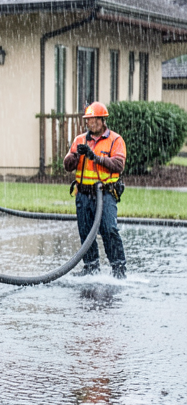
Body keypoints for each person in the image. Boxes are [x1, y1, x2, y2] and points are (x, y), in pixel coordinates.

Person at [64, 101, 127, 279]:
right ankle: (91, 267)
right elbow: (67, 166)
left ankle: (118, 268)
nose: (91, 124)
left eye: (95, 120)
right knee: (85, 231)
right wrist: (75, 156)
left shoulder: (115, 140)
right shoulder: (79, 140)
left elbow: (118, 165)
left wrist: (95, 157)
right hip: (83, 194)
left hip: (105, 194)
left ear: (103, 120)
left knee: (109, 229)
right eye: (88, 120)